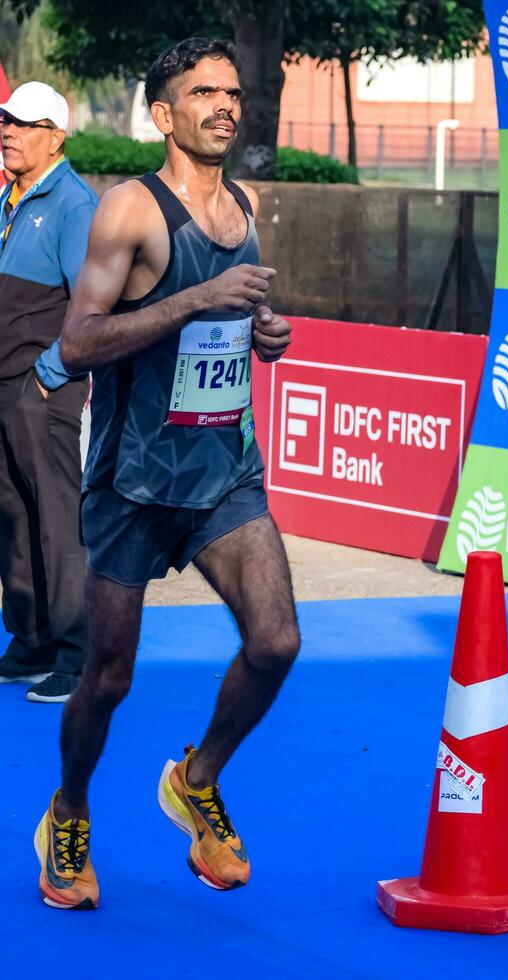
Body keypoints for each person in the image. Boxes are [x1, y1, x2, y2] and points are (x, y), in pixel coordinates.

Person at [35, 38, 300, 910]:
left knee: (275, 642)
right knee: (107, 677)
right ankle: (68, 813)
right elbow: (77, 345)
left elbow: (240, 322)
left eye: (232, 91)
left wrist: (265, 336)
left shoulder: (248, 202)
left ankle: (197, 777)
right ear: (163, 114)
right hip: (133, 481)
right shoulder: (128, 213)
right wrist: (189, 301)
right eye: (204, 93)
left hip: (224, 470)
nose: (225, 105)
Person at [0, 82, 97, 703]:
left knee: (59, 520)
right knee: (13, 515)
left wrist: (50, 375)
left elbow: (92, 308)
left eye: (23, 124)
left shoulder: (73, 203)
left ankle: (76, 650)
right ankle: (32, 638)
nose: (8, 130)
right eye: (4, 121)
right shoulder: (8, 194)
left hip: (43, 391)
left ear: (55, 137)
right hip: (5, 388)